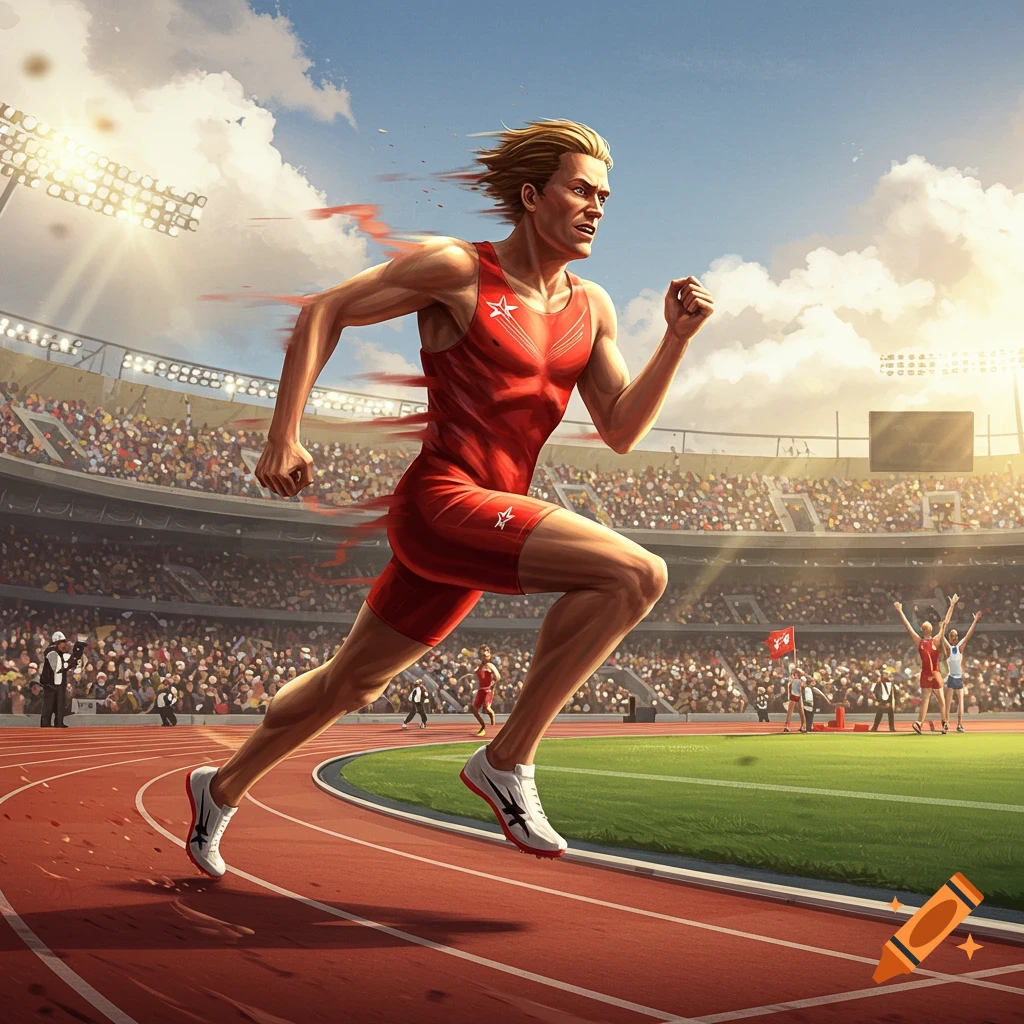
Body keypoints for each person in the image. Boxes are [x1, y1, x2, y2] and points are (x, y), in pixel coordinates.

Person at [184, 117, 714, 878]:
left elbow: (622, 427)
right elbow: (323, 311)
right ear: (533, 196)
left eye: (605, 196)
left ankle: (219, 786)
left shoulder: (590, 307)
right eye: (581, 190)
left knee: (353, 683)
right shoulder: (457, 268)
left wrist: (675, 341)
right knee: (637, 574)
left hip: (484, 528)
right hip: (442, 503)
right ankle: (507, 759)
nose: (597, 207)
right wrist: (284, 433)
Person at [894, 594, 958, 734]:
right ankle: (945, 723)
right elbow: (946, 623)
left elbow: (908, 626)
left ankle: (919, 722)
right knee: (942, 701)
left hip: (925, 674)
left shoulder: (919, 642)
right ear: (931, 630)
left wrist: (900, 610)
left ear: (922, 631)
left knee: (925, 700)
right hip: (935, 673)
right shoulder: (935, 641)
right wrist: (952, 604)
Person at [942, 611, 981, 734]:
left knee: (960, 702)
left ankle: (959, 724)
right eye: (952, 635)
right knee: (947, 703)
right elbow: (940, 636)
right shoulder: (948, 648)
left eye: (956, 635)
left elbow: (969, 635)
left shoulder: (959, 647)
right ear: (950, 637)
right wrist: (942, 627)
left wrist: (975, 620)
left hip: (958, 677)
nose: (954, 637)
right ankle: (946, 723)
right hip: (951, 677)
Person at [40, 631, 86, 728]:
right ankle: (45, 724)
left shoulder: (59, 653)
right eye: (62, 642)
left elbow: (66, 664)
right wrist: (71, 660)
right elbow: (58, 668)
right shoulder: (52, 652)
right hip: (51, 684)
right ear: (57, 642)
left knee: (59, 704)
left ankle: (59, 722)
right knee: (48, 706)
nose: (64, 645)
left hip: (59, 683)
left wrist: (77, 654)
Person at [469, 644, 500, 736]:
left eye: (487, 651)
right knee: (474, 710)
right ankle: (483, 726)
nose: (485, 653)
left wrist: (492, 684)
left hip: (487, 690)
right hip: (481, 691)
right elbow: (478, 676)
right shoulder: (480, 666)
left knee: (487, 708)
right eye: (483, 652)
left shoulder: (490, 665)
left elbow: (498, 676)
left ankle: (493, 726)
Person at [782, 664, 806, 734]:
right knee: (790, 710)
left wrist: (799, 674)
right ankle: (787, 725)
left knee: (801, 709)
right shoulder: (790, 678)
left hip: (798, 694)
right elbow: (789, 685)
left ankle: (803, 725)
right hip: (793, 694)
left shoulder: (800, 675)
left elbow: (803, 684)